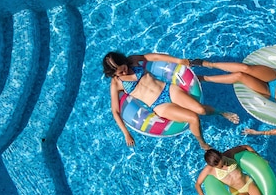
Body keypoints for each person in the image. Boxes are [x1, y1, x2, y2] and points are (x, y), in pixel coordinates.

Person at [102, 51, 239, 150]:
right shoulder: (116, 84)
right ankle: (202, 143)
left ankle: (221, 112)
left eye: (124, 69)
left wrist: (179, 61)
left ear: (124, 62)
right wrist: (126, 133)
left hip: (169, 90)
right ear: (113, 74)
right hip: (159, 105)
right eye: (120, 73)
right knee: (193, 118)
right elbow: (115, 111)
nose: (124, 73)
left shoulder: (133, 60)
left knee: (201, 109)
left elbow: (155, 56)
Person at [190, 42, 276, 136]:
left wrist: (258, 132)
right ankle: (208, 64)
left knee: (240, 76)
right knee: (246, 68)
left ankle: (204, 79)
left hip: (269, 91)